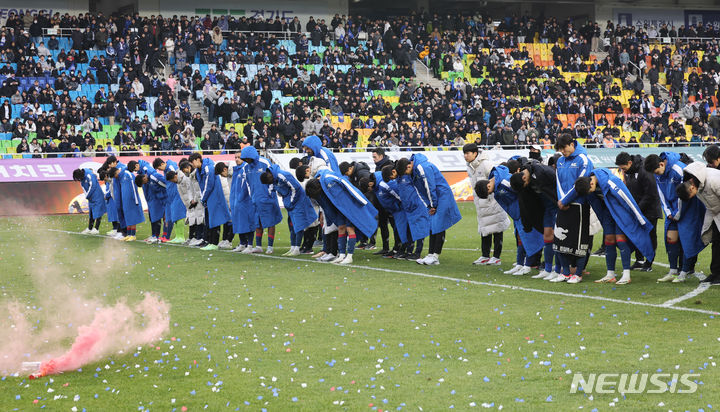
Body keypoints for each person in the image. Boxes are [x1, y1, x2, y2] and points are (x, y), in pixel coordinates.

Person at [574, 169, 656, 285]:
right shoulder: (586, 182)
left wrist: (639, 218)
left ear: (592, 184)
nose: (590, 193)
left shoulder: (611, 181)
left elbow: (627, 199)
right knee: (608, 240)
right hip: (608, 213)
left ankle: (626, 275)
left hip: (620, 212)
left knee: (621, 240)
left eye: (589, 191)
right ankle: (610, 274)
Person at [645, 153, 706, 282]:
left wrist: (678, 213)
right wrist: (668, 212)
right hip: (671, 213)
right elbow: (661, 194)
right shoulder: (657, 175)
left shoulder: (678, 170)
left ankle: (684, 272)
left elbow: (685, 192)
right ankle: (673, 271)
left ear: (662, 164)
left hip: (687, 209)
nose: (657, 175)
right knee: (670, 238)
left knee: (686, 240)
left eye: (657, 171)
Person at [476, 164, 544, 276]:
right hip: (517, 215)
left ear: (488, 186)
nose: (491, 194)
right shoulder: (497, 184)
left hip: (525, 213)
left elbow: (523, 191)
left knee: (530, 239)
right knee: (520, 238)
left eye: (489, 193)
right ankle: (520, 264)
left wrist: (527, 210)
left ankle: (528, 266)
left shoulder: (505, 181)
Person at [304, 168, 378, 265]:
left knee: (350, 228)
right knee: (341, 228)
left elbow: (347, 185)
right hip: (340, 208)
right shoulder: (322, 181)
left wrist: (361, 200)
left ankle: (350, 256)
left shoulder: (328, 178)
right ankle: (342, 254)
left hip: (350, 206)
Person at [553, 134, 594, 283]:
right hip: (563, 205)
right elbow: (558, 182)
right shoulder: (560, 161)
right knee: (560, 240)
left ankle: (578, 273)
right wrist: (561, 200)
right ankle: (565, 272)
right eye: (560, 149)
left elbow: (581, 184)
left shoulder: (583, 159)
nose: (563, 152)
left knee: (578, 242)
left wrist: (565, 200)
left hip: (579, 206)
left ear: (572, 144)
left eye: (564, 148)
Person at [510, 159, 560, 280]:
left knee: (560, 238)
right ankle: (547, 269)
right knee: (547, 236)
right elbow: (524, 203)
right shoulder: (524, 182)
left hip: (558, 205)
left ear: (524, 178)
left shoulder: (542, 171)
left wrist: (563, 202)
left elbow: (559, 182)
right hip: (547, 209)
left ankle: (558, 269)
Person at [410, 153, 462, 265]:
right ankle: (430, 254)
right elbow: (420, 192)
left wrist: (433, 204)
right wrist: (429, 205)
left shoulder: (422, 167)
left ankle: (435, 256)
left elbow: (429, 186)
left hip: (442, 196)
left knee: (439, 225)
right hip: (436, 198)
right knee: (432, 225)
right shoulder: (414, 171)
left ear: (409, 165)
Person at [463, 143, 510, 266]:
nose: (465, 156)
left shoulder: (486, 164)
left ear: (475, 153)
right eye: (464, 153)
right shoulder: (470, 166)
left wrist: (493, 197)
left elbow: (497, 178)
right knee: (485, 228)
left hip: (493, 202)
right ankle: (485, 255)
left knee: (497, 228)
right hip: (481, 203)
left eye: (467, 153)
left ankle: (496, 257)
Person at [615, 152, 661, 271]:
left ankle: (649, 262)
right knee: (637, 235)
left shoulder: (644, 170)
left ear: (630, 163)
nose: (622, 171)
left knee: (650, 236)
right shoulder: (629, 172)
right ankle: (639, 260)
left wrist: (638, 209)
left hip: (649, 210)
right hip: (637, 210)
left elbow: (650, 193)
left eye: (623, 168)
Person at [677, 161, 720, 285]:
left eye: (691, 195)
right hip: (715, 213)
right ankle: (715, 273)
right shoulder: (696, 184)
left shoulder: (714, 180)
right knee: (716, 242)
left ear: (691, 187)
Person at [261, 164, 318, 256]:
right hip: (289, 203)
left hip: (298, 201)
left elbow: (296, 188)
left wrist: (291, 201)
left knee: (298, 225)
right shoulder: (273, 179)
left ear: (270, 177)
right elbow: (276, 190)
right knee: (292, 225)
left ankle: (297, 248)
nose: (270, 183)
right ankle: (292, 247)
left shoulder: (282, 175)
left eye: (269, 182)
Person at [240, 145, 283, 254]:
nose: (247, 160)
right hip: (255, 200)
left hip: (268, 199)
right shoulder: (246, 167)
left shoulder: (265, 162)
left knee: (270, 222)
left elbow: (274, 176)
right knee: (257, 223)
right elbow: (248, 183)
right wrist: (251, 196)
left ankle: (270, 246)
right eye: (245, 158)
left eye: (248, 158)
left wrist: (270, 192)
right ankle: (258, 245)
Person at [189, 152, 231, 250]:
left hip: (214, 196)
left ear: (198, 160)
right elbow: (202, 185)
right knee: (209, 219)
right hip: (208, 197)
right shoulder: (198, 171)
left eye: (193, 162)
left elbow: (209, 185)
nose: (192, 165)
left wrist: (203, 198)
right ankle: (209, 241)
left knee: (215, 219)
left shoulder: (209, 168)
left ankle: (214, 243)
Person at [173, 160, 205, 246]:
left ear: (188, 167)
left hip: (198, 201)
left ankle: (201, 238)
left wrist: (194, 199)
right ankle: (194, 237)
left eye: (184, 170)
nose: (184, 173)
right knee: (194, 219)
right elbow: (190, 190)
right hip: (192, 202)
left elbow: (197, 189)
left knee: (200, 218)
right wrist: (191, 200)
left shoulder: (192, 176)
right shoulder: (189, 176)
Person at [229, 152, 257, 252]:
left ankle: (249, 245)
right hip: (236, 201)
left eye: (239, 157)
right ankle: (242, 243)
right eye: (235, 157)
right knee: (238, 222)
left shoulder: (246, 169)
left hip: (246, 201)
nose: (237, 159)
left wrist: (242, 198)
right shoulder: (236, 170)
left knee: (248, 222)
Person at [73, 168, 106, 235]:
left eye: (78, 178)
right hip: (91, 198)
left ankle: (96, 228)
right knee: (91, 213)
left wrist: (87, 195)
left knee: (98, 213)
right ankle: (89, 228)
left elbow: (93, 186)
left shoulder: (89, 175)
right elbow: (84, 189)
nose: (78, 180)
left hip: (97, 196)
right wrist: (87, 196)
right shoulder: (82, 180)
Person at [117, 160, 144, 241]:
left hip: (129, 199)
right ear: (134, 166)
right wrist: (135, 199)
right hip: (129, 199)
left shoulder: (126, 174)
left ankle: (132, 235)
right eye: (137, 166)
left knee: (132, 217)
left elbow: (133, 188)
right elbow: (133, 188)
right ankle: (129, 234)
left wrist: (135, 199)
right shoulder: (128, 174)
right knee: (129, 217)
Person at [163, 159, 188, 244]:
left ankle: (181, 236)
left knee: (180, 216)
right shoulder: (177, 178)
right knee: (176, 217)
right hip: (174, 197)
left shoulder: (182, 177)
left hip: (180, 197)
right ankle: (178, 236)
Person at [215, 162, 234, 249]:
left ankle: (229, 240)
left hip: (234, 202)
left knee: (233, 222)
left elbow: (227, 193)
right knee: (227, 221)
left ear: (225, 170)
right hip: (231, 202)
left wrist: (230, 206)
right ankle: (225, 239)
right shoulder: (226, 177)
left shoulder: (232, 173)